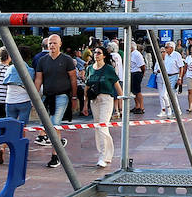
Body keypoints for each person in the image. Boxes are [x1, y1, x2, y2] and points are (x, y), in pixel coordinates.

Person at [32, 34, 77, 167]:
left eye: (54, 43)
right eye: (50, 43)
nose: (52, 45)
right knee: (47, 124)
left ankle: (55, 155)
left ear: (60, 44)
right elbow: (38, 79)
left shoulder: (67, 60)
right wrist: (35, 96)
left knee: (54, 123)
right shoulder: (42, 61)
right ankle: (59, 143)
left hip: (62, 95)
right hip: (47, 96)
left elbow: (73, 79)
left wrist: (74, 97)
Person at [85, 46, 123, 168]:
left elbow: (116, 84)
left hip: (106, 99)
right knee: (98, 127)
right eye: (95, 52)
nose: (96, 54)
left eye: (99, 53)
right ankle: (105, 154)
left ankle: (103, 156)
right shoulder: (90, 68)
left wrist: (122, 100)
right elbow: (87, 86)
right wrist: (85, 104)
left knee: (102, 126)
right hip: (94, 101)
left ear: (104, 56)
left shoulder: (108, 69)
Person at [158, 41, 184, 117]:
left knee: (172, 95)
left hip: (174, 76)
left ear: (171, 48)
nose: (165, 49)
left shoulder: (177, 55)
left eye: (166, 47)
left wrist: (180, 78)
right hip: (166, 76)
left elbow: (181, 67)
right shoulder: (165, 55)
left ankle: (177, 111)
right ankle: (169, 109)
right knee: (163, 94)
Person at [128, 42, 146, 115]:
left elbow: (142, 65)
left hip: (137, 73)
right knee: (134, 91)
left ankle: (141, 107)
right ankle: (137, 106)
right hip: (132, 73)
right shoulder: (131, 54)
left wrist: (142, 73)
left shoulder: (137, 54)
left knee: (137, 91)